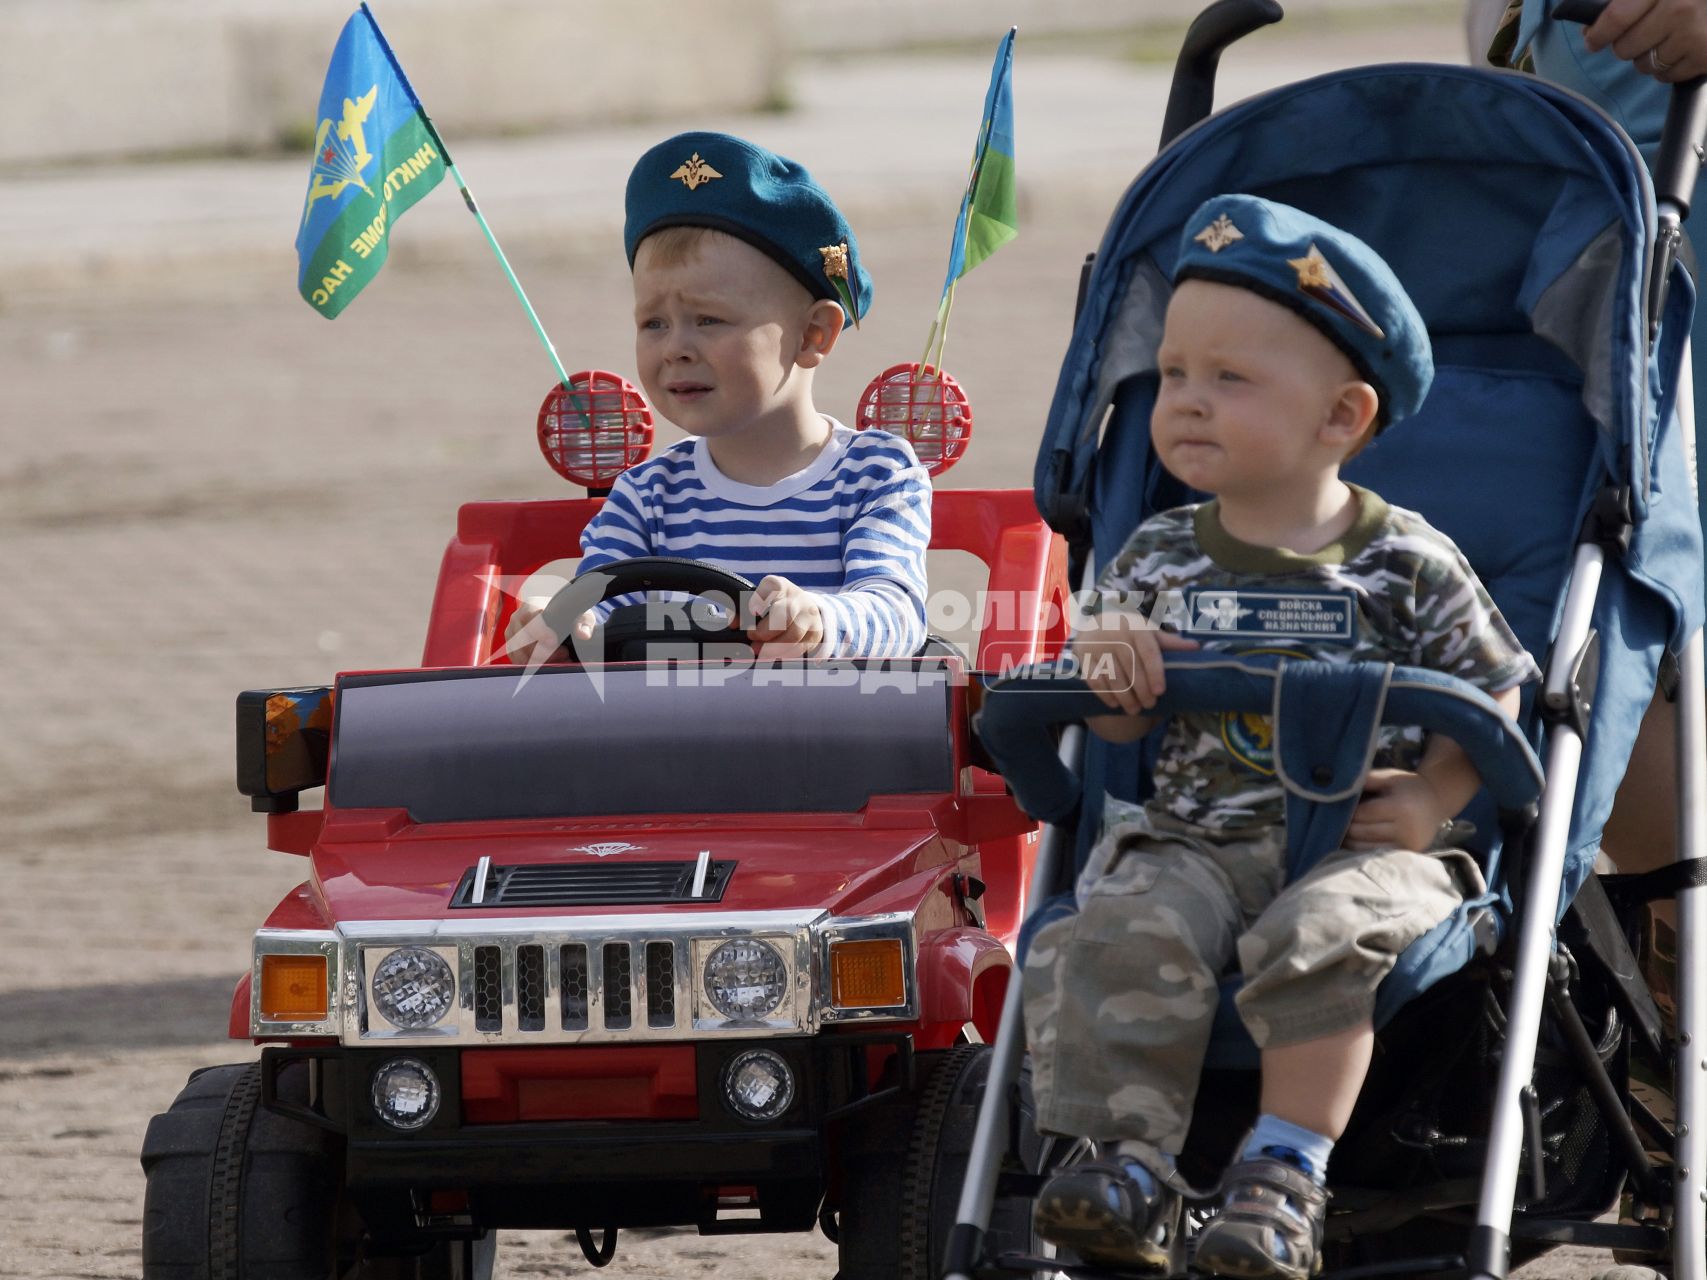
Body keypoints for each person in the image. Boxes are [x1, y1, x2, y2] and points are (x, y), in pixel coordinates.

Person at [1021, 195, 1541, 1278]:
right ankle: (1126, 1156)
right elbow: (1116, 721)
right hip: (1195, 838)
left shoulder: (1407, 562)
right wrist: (1109, 659)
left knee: (1324, 933)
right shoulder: (1158, 557)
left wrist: (1435, 797)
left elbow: (1501, 694)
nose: (1187, 403)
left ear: (1343, 416)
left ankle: (1283, 1167)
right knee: (1123, 916)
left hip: (1365, 842)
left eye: (1230, 379)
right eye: (1171, 375)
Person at [504, 131, 930, 663]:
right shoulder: (646, 497)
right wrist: (561, 625)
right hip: (679, 739)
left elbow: (898, 610)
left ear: (814, 334)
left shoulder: (875, 474)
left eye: (709, 319)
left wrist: (819, 620)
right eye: (653, 322)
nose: (676, 348)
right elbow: (602, 609)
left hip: (829, 736)